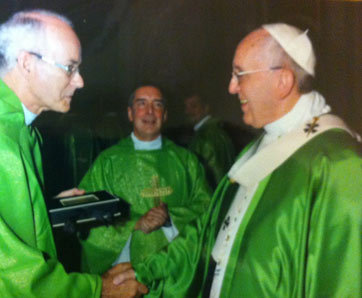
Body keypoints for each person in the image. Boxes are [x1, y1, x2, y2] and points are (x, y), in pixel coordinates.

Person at [114, 23, 362, 297]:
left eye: (239, 75)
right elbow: (206, 234)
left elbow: (345, 282)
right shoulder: (257, 149)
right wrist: (144, 270)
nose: (231, 88)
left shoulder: (339, 164)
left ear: (283, 82)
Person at [0, 9, 147, 297]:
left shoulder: (13, 128)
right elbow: (5, 278)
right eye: (70, 68)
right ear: (27, 63)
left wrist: (44, 210)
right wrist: (99, 289)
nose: (80, 81)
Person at [79, 85, 212, 275]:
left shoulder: (186, 161)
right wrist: (135, 224)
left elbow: (208, 210)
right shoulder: (108, 162)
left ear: (165, 115)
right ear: (130, 113)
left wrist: (171, 219)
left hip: (175, 273)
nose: (150, 111)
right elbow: (87, 218)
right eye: (141, 104)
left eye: (157, 105)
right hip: (125, 272)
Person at [184, 93, 235, 189]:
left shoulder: (204, 137)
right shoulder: (218, 131)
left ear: (206, 108)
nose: (188, 111)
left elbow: (211, 179)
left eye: (194, 106)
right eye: (186, 107)